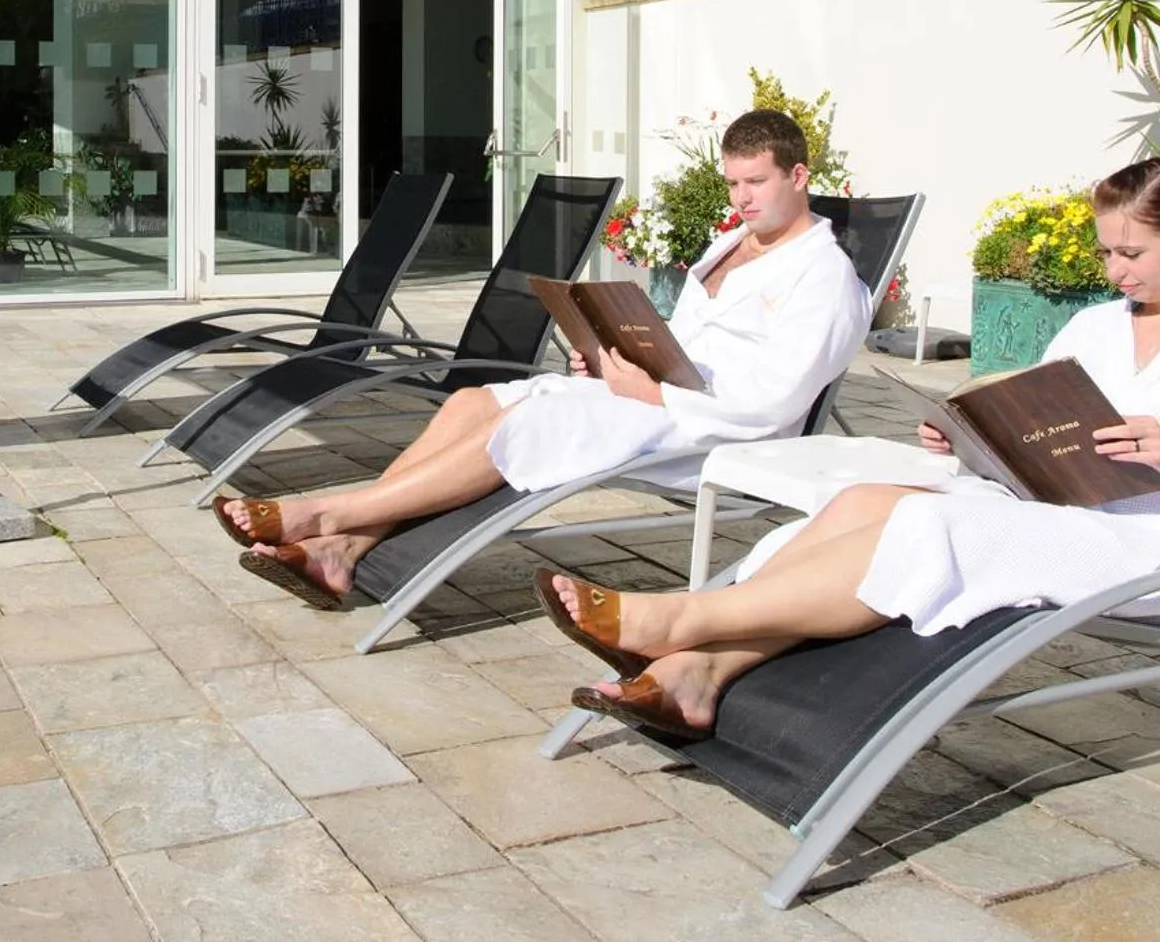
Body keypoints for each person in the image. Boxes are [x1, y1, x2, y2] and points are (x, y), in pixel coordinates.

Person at [542, 158, 1160, 743]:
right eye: (1107, 253)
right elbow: (1045, 428)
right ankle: (697, 678)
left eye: (1132, 254)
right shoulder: (1097, 328)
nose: (1116, 272)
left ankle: (678, 624)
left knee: (929, 529)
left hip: (1157, 554)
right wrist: (975, 437)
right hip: (1056, 514)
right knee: (862, 503)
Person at [217, 109, 873, 607]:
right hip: (655, 395)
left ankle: (330, 514)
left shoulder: (824, 278)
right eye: (732, 183)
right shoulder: (731, 244)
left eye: (755, 182)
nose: (741, 199)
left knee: (521, 426)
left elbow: (772, 404)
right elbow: (687, 343)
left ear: (798, 175)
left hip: (712, 432)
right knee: (475, 400)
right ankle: (343, 550)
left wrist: (651, 394)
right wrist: (610, 352)